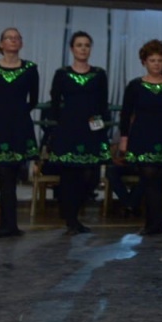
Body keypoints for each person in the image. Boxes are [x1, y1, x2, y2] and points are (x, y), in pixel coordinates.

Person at [43, 32, 111, 235]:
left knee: (90, 175)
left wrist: (100, 128)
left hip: (92, 128)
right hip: (68, 129)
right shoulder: (62, 73)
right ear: (72, 49)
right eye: (79, 45)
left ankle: (73, 212)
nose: (83, 48)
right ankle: (71, 219)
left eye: (87, 45)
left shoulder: (99, 73)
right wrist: (61, 123)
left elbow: (102, 103)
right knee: (68, 175)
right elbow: (54, 101)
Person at [119, 39, 162, 236]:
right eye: (152, 60)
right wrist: (124, 138)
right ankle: (152, 223)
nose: (156, 63)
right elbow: (125, 113)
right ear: (144, 62)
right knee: (148, 179)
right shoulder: (135, 86)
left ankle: (156, 223)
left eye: (159, 60)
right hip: (142, 136)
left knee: (160, 179)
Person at [0, 28, 39, 238]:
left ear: (21, 43)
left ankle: (11, 224)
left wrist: (18, 113)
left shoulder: (30, 68)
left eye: (17, 38)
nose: (13, 41)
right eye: (9, 38)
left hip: (19, 125)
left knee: (14, 173)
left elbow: (33, 98)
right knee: (3, 174)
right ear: (1, 43)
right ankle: (6, 224)